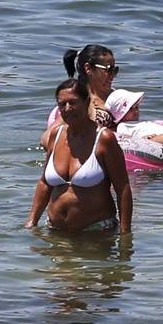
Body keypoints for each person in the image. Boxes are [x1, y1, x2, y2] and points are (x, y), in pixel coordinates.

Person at [27, 77, 131, 235]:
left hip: (96, 233)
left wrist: (125, 234)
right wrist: (32, 221)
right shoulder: (56, 135)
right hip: (56, 232)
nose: (67, 108)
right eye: (62, 104)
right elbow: (45, 183)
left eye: (73, 102)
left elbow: (122, 187)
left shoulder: (104, 139)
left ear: (87, 101)